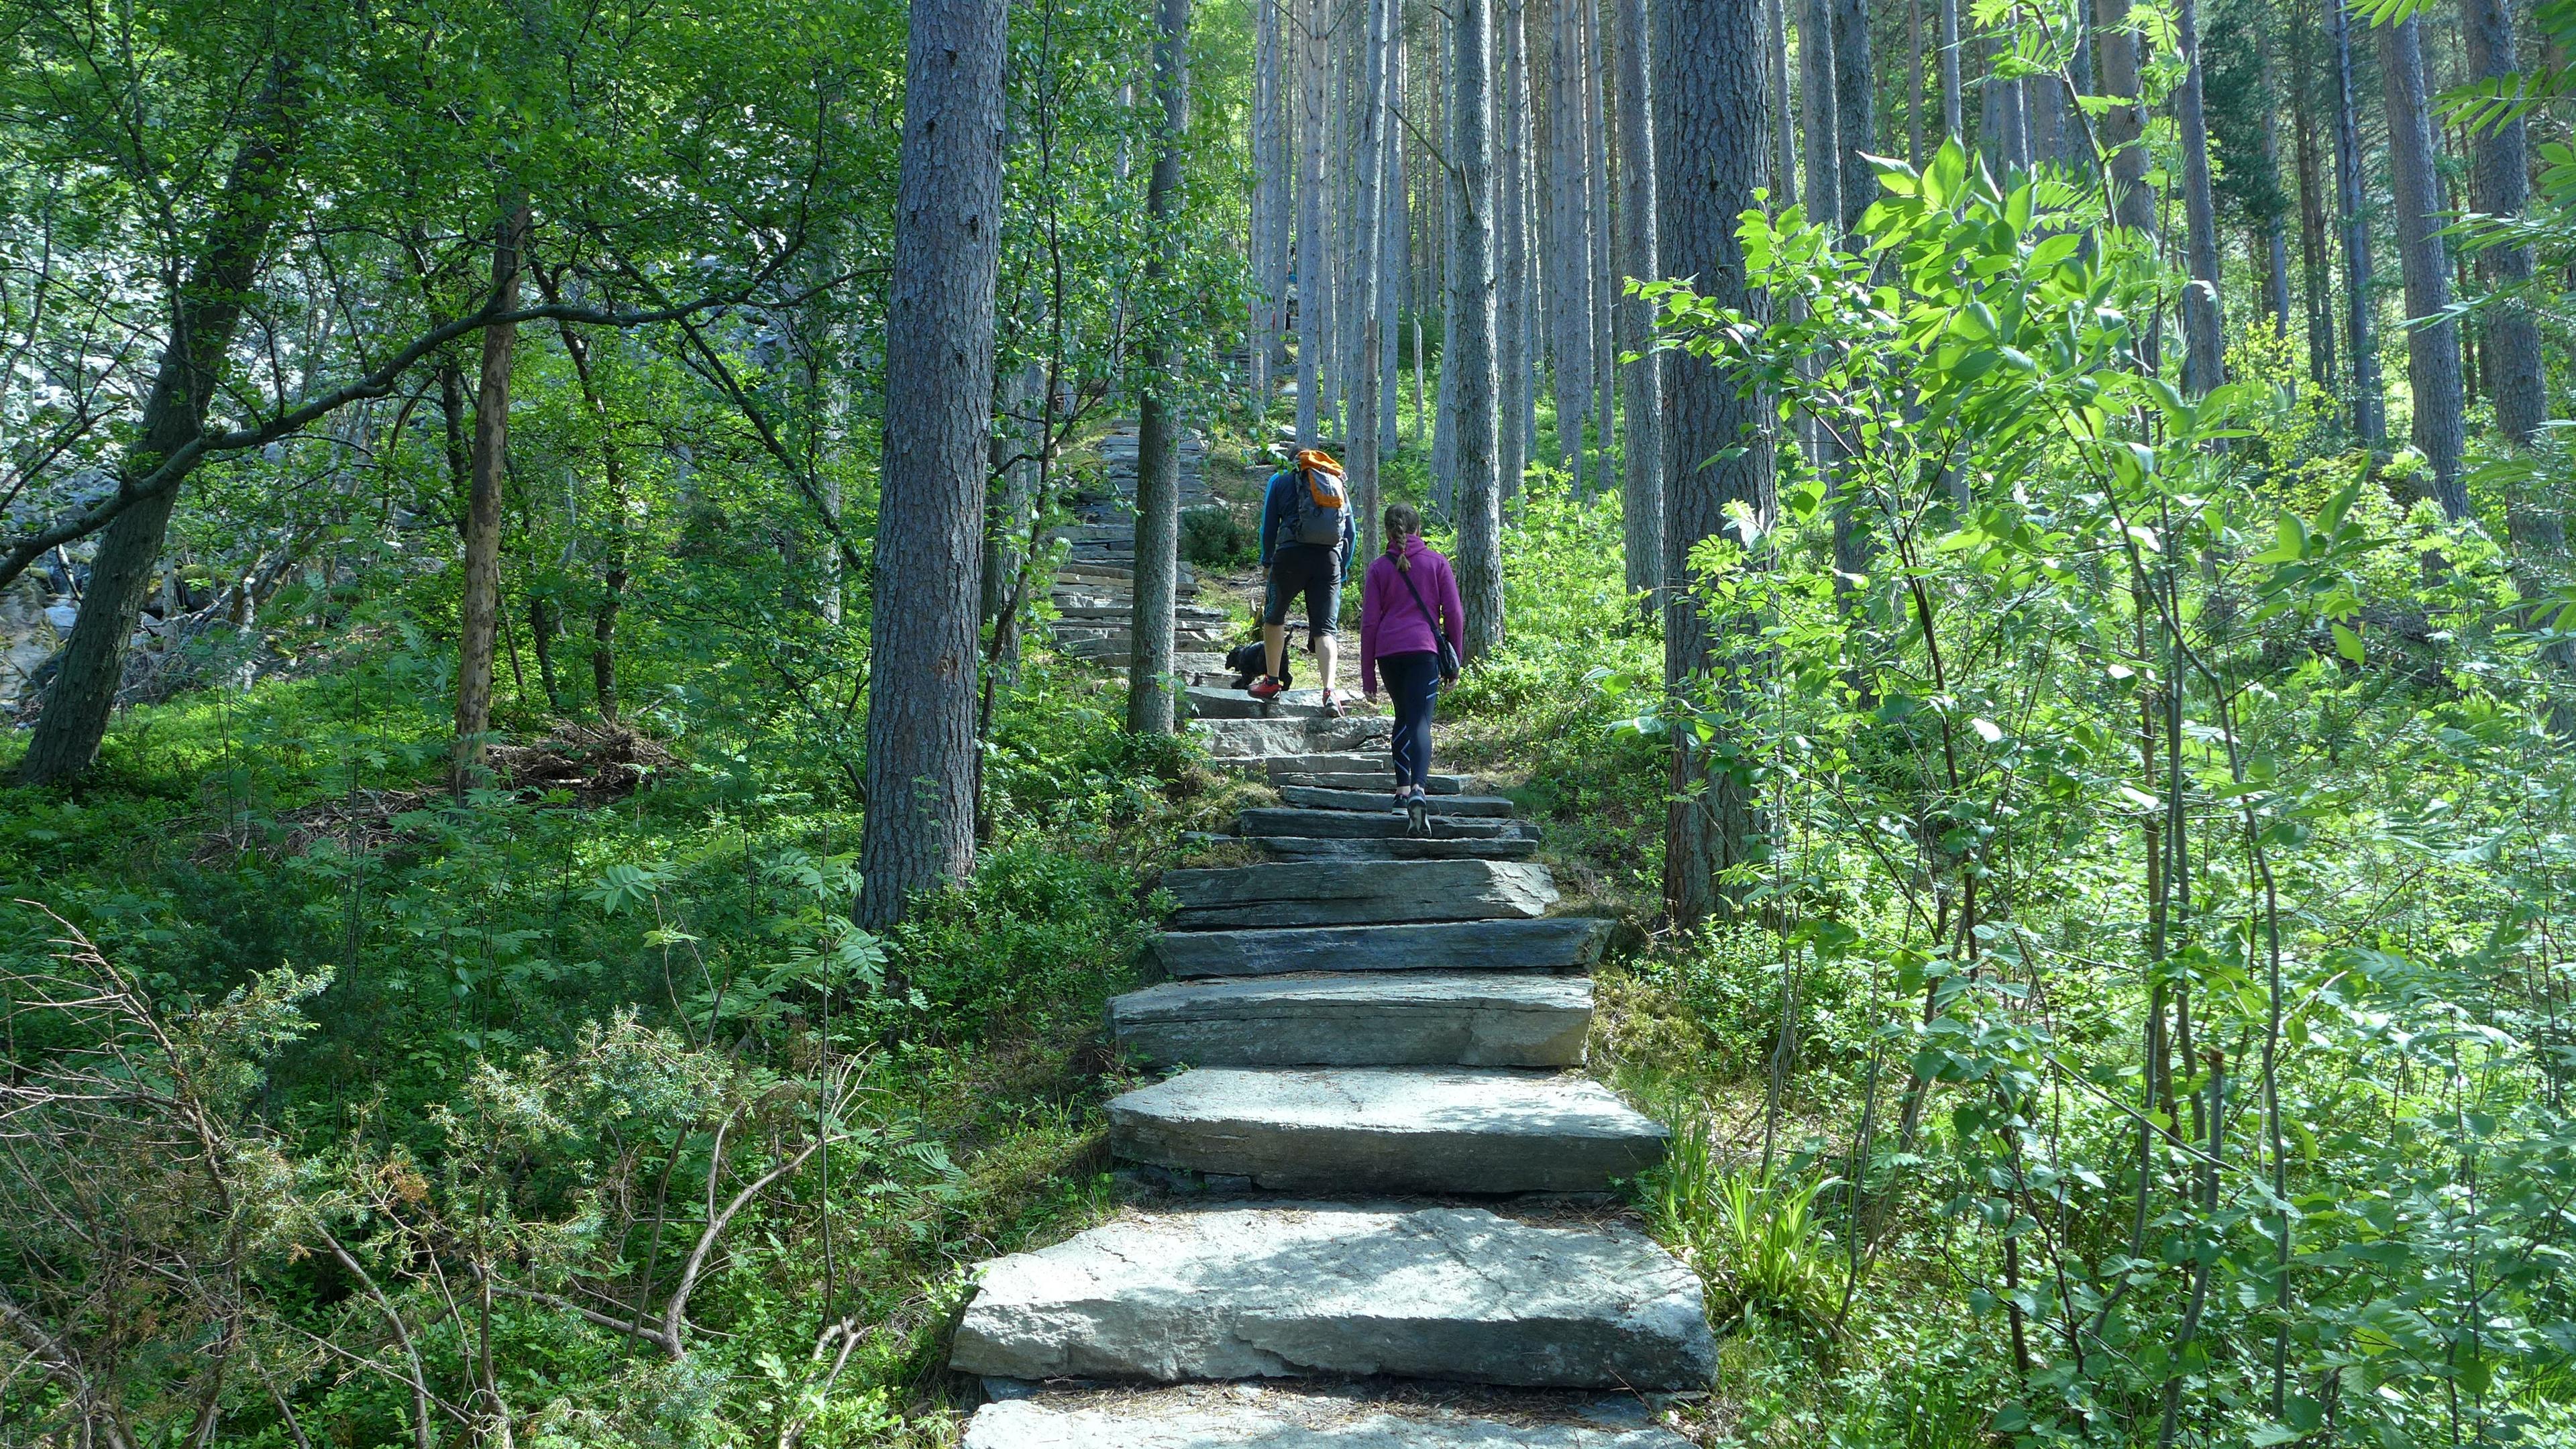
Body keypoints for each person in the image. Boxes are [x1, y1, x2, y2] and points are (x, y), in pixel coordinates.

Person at [1360, 502, 1463, 836]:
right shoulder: (1436, 562)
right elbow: (1455, 616)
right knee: (1419, 720)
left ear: (1388, 533)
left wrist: (1368, 676)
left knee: (1403, 716)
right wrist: (1455, 661)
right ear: (1417, 530)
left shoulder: (1378, 568)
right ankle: (1419, 789)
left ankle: (1401, 792)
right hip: (1423, 652)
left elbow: (1369, 625)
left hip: (1389, 654)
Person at [1250, 449, 1358, 708]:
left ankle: (1272, 681)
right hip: (1329, 560)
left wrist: (1267, 561)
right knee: (1325, 630)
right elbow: (1351, 532)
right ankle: (1330, 692)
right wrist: (1342, 568)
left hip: (1290, 556)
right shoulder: (1334, 479)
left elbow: (1268, 525)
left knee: (1274, 619)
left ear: (1290, 461)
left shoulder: (1280, 478)